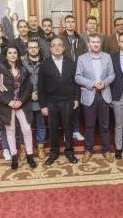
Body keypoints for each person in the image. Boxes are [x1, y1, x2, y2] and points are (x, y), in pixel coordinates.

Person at [0, 45, 35, 170]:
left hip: (22, 104)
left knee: (27, 130)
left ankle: (30, 155)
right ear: (6, 55)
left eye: (15, 52)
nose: (12, 55)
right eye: (10, 53)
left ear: (18, 55)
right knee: (10, 131)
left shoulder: (23, 69)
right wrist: (8, 102)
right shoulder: (0, 69)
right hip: (7, 105)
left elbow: (28, 88)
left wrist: (21, 101)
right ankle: (14, 156)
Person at [38, 37, 80, 165]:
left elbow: (76, 83)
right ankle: (54, 153)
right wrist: (43, 105)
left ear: (63, 48)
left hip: (68, 100)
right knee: (53, 128)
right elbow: (41, 87)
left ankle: (69, 152)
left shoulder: (71, 62)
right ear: (50, 48)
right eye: (54, 45)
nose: (57, 47)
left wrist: (77, 99)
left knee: (68, 127)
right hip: (51, 102)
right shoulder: (44, 64)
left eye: (59, 45)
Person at [76, 33, 115, 163]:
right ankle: (88, 150)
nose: (96, 44)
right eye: (93, 42)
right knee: (89, 125)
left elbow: (112, 74)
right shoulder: (82, 58)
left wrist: (105, 83)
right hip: (89, 95)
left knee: (105, 126)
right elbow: (78, 77)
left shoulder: (107, 57)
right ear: (88, 44)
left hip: (104, 95)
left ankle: (106, 150)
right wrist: (92, 83)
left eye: (98, 42)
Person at [59, 15, 87, 141]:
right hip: (65, 74)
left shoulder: (80, 39)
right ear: (65, 24)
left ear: (75, 23)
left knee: (76, 104)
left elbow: (86, 56)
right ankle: (67, 131)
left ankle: (75, 130)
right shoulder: (60, 38)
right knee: (66, 106)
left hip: (79, 75)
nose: (70, 24)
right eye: (68, 22)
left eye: (72, 22)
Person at [22, 40, 46, 161]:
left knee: (41, 124)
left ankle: (41, 146)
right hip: (26, 100)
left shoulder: (45, 62)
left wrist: (39, 94)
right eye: (30, 47)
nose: (33, 49)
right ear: (27, 49)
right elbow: (19, 82)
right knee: (25, 125)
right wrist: (29, 94)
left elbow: (49, 81)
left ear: (38, 48)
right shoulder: (21, 63)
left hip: (41, 99)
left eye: (35, 47)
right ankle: (23, 147)